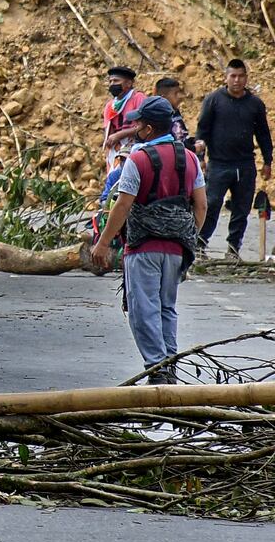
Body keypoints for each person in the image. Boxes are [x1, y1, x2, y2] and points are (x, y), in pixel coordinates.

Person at [92, 97, 206, 382]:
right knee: (167, 307)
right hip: (177, 249)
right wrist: (188, 237)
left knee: (143, 310)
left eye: (139, 124)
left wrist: (103, 243)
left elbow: (122, 205)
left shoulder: (138, 159)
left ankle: (157, 369)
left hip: (143, 248)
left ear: (150, 128)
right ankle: (170, 365)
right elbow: (201, 205)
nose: (136, 128)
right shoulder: (190, 158)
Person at [197, 59, 274, 257]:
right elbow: (202, 131)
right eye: (233, 76)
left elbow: (263, 134)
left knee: (241, 208)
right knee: (212, 204)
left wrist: (267, 161)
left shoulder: (255, 104)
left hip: (245, 164)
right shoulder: (214, 100)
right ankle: (200, 244)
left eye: (241, 76)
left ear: (246, 78)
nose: (237, 80)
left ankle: (233, 248)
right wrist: (201, 157)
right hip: (218, 164)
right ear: (226, 77)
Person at [102, 67, 147, 171]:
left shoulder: (138, 98)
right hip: (116, 151)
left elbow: (144, 126)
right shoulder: (110, 106)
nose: (112, 84)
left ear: (129, 83)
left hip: (136, 146)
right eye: (110, 81)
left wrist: (120, 135)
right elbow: (108, 132)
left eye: (116, 81)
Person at [154, 77, 200, 156]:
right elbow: (170, 144)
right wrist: (194, 148)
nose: (180, 96)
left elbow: (182, 136)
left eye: (179, 92)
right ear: (163, 98)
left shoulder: (175, 112)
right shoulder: (159, 117)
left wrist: (195, 142)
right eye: (176, 93)